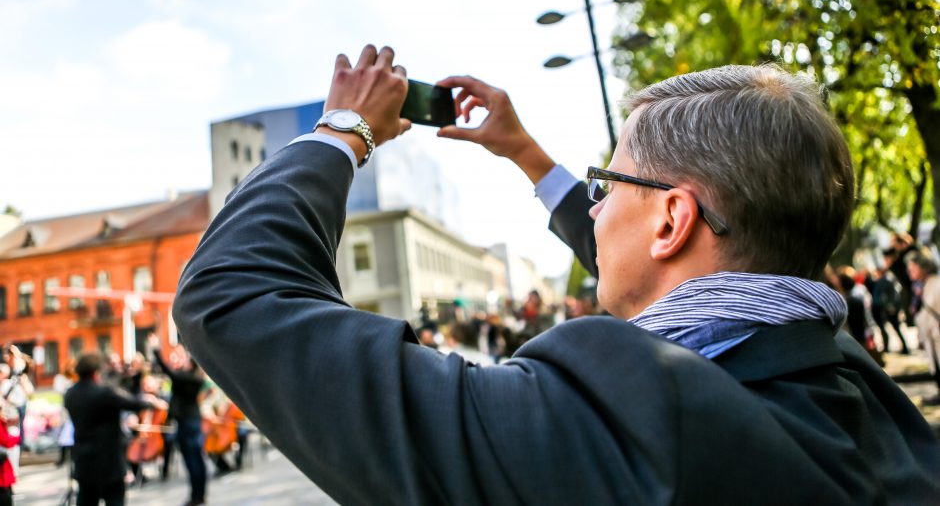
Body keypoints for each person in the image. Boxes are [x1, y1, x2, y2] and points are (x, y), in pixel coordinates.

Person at [173, 46, 940, 504]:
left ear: (672, 220)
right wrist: (527, 156)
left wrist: (343, 132)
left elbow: (231, 294)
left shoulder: (617, 421)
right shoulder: (854, 385)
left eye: (606, 187)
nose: (595, 209)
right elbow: (658, 269)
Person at [63, 353, 155, 506]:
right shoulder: (104, 393)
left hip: (84, 462)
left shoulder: (70, 394)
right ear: (95, 372)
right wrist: (150, 402)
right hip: (109, 463)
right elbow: (134, 403)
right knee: (115, 501)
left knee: (86, 500)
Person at [148, 337, 207, 506]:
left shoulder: (188, 378)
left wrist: (156, 351)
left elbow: (168, 371)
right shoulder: (194, 377)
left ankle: (197, 496)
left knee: (192, 460)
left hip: (187, 423)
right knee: (196, 459)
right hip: (191, 421)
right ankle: (199, 495)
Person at [909, 254, 940, 404]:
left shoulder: (936, 284)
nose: (909, 270)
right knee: (935, 366)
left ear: (924, 268)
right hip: (930, 336)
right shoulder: (920, 286)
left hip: (937, 334)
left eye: (913, 267)